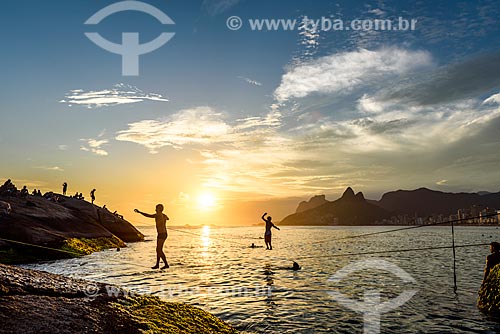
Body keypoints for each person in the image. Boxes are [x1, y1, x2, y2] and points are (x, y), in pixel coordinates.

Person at [135, 204, 169, 269]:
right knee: (158, 250)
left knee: (159, 250)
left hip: (162, 234)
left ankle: (165, 265)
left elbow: (148, 215)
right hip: (163, 234)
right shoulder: (163, 215)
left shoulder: (158, 215)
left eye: (157, 208)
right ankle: (158, 264)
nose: (155, 209)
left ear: (159, 209)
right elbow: (168, 218)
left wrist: (140, 212)